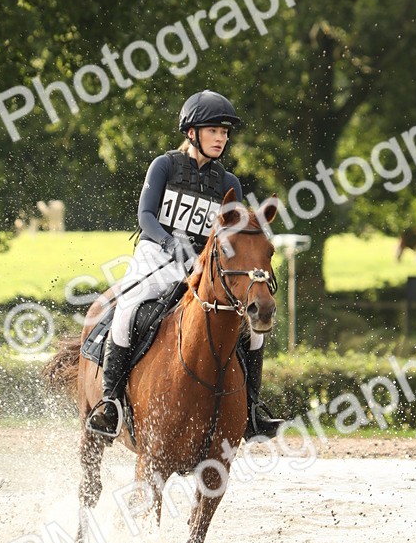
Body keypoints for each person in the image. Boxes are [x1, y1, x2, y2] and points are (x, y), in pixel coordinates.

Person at [86, 89, 285, 441]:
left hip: (203, 265)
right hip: (157, 255)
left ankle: (253, 412)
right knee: (127, 310)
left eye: (225, 133)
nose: (221, 138)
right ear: (192, 132)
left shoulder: (229, 183)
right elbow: (145, 215)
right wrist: (169, 243)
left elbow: (231, 238)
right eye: (214, 131)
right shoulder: (164, 165)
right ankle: (110, 404)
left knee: (251, 331)